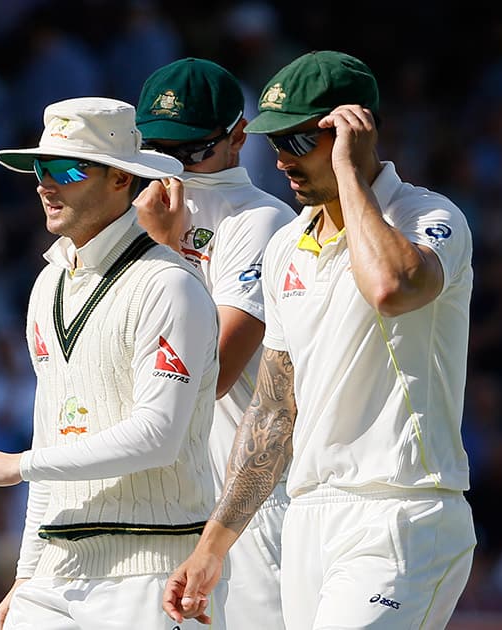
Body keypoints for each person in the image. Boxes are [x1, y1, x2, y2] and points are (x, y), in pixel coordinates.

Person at [163, 50, 477, 629]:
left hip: (401, 508)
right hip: (308, 516)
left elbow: (391, 287)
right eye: (275, 143)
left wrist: (352, 175)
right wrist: (214, 544)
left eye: (301, 142)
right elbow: (275, 411)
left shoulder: (429, 216)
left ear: (354, 133)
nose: (282, 160)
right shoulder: (286, 245)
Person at [0, 97, 221, 629]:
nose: (46, 184)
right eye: (40, 168)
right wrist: (25, 574)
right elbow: (51, 432)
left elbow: (157, 436)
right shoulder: (48, 285)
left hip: (152, 571)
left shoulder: (169, 285)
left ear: (120, 179)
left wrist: (17, 465)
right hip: (55, 571)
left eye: (65, 169)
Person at [133, 57, 294, 629]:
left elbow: (214, 372)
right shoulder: (135, 210)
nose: (174, 167)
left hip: (244, 503)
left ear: (237, 138)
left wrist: (161, 251)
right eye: (156, 149)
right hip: (168, 501)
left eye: (192, 151)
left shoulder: (262, 221)